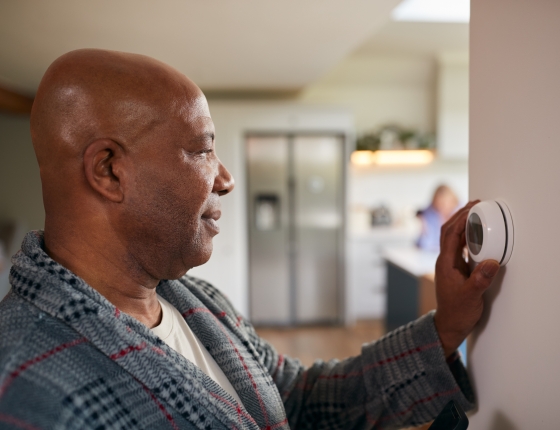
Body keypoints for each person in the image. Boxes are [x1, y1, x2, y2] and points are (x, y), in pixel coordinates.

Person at [0, 49, 500, 430]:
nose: (225, 178)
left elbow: (300, 398)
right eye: (201, 149)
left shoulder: (195, 298)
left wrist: (446, 327)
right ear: (109, 170)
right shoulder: (25, 392)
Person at [416, 185, 460, 252]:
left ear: (452, 202)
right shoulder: (430, 215)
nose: (440, 209)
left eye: (443, 204)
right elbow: (424, 244)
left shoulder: (461, 214)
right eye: (437, 205)